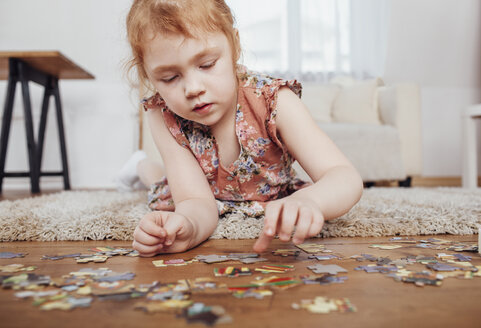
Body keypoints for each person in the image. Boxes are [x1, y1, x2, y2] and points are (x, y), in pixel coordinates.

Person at [123, 0, 363, 257]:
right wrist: (189, 227)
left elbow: (344, 176)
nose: (193, 88)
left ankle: (140, 164)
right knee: (158, 181)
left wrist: (310, 201)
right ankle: (138, 165)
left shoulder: (274, 100)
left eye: (206, 64)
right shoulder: (162, 114)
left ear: (234, 46)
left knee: (161, 176)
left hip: (266, 192)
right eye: (169, 78)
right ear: (148, 76)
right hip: (200, 191)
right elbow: (195, 201)